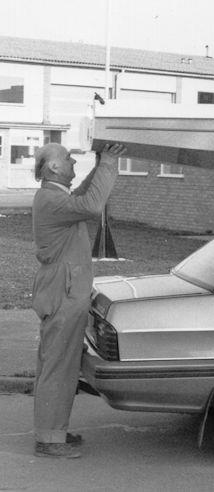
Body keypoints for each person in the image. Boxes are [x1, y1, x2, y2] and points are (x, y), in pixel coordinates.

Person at [31, 142, 126, 458]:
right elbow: (92, 206)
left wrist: (101, 166)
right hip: (63, 294)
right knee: (58, 368)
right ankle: (49, 440)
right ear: (54, 167)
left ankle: (53, 432)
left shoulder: (56, 197)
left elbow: (84, 198)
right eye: (67, 158)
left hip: (63, 292)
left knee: (62, 366)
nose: (73, 161)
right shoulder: (51, 201)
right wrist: (109, 161)